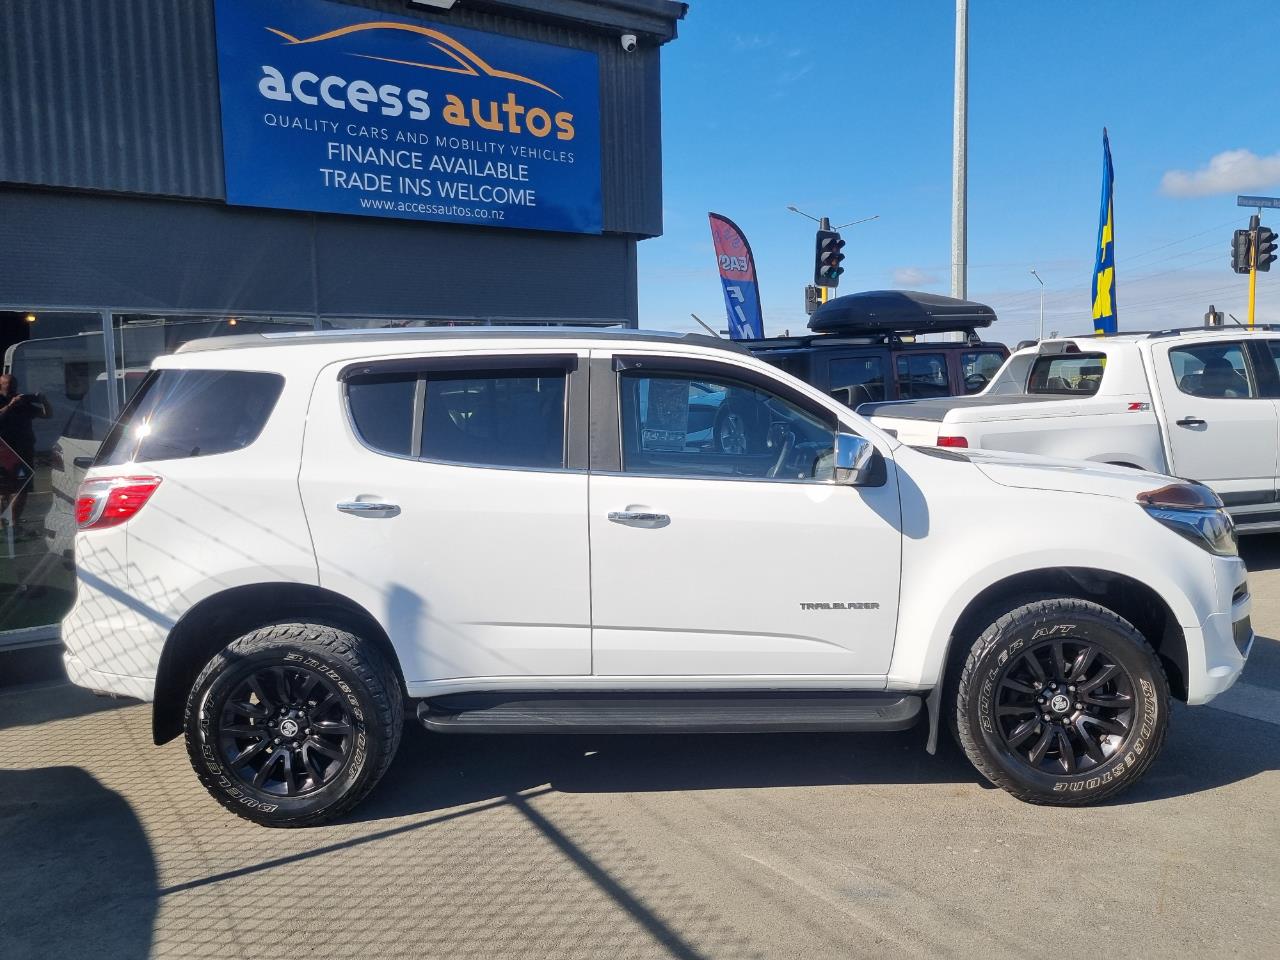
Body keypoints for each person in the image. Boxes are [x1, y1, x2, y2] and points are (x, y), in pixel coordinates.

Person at [0, 373, 51, 538]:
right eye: (8, 384)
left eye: (13, 384)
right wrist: (10, 405)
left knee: (22, 488)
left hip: (24, 449)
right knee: (3, 490)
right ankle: (2, 525)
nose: (11, 387)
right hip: (4, 451)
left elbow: (47, 415)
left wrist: (43, 400)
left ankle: (14, 524)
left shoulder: (23, 403)